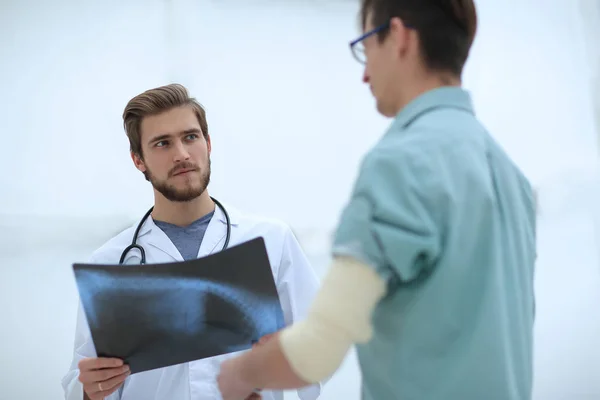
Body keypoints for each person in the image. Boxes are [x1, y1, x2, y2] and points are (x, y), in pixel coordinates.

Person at [216, 1, 537, 399]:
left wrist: (239, 372)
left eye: (366, 47)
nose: (365, 74)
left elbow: (318, 350)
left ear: (399, 37)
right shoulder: (508, 172)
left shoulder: (400, 164)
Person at [61, 84, 324, 400]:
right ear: (138, 160)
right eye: (162, 143)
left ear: (208, 143)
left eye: (190, 137)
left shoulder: (271, 240)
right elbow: (79, 383)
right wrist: (91, 389)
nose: (182, 154)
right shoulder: (110, 262)